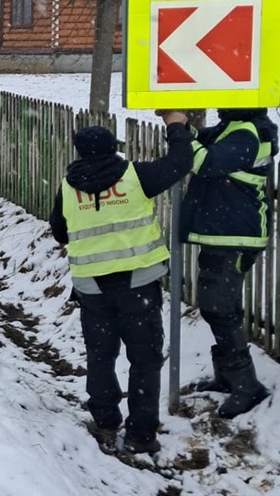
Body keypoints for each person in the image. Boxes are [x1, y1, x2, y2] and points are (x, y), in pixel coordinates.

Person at [49, 112, 193, 455]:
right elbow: (180, 162)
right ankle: (142, 434)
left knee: (101, 354)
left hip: (93, 290)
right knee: (144, 358)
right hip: (138, 284)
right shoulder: (136, 176)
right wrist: (176, 125)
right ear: (113, 148)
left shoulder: (69, 187)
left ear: (79, 152)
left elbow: (60, 231)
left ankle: (105, 420)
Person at [180, 107, 278, 418]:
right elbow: (198, 140)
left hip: (236, 236)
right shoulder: (232, 126)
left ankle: (247, 386)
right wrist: (179, 126)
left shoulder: (247, 131)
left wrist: (178, 131)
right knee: (218, 307)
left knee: (219, 308)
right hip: (220, 234)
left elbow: (206, 162)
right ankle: (227, 377)